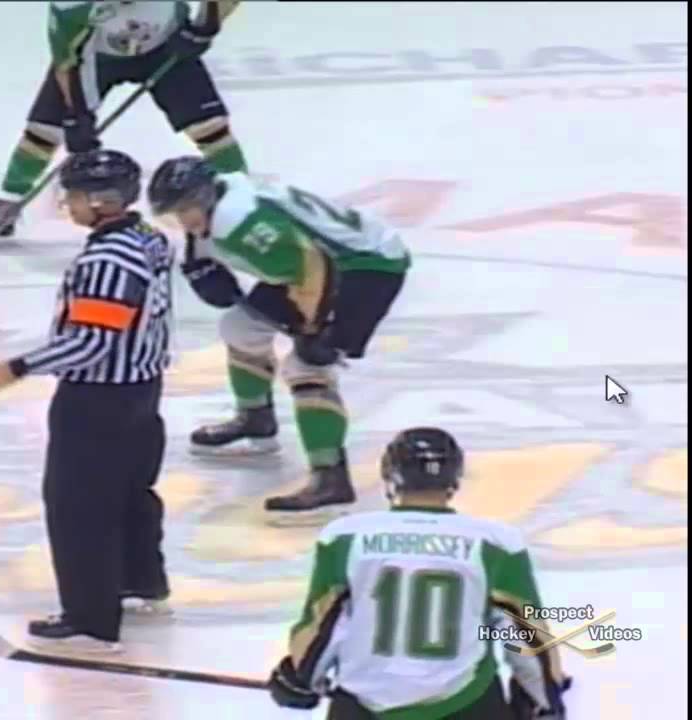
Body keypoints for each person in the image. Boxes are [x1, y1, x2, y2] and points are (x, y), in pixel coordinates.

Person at [0, 148, 174, 652]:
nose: (68, 203)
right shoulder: (149, 238)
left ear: (101, 202)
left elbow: (93, 340)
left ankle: (91, 619)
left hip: (97, 400)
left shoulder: (107, 257)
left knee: (79, 506)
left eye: (76, 195)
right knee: (130, 494)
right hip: (142, 391)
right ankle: (139, 579)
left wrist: (14, 369)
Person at [146, 157, 409, 515]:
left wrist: (314, 329)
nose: (184, 220)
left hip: (366, 266)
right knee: (241, 328)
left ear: (206, 197)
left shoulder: (238, 220)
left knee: (308, 365)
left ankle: (330, 475)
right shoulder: (226, 196)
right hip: (326, 261)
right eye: (175, 213)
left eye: (186, 209)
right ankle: (256, 417)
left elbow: (314, 265)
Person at [266, 427, 572, 719]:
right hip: (467, 704)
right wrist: (544, 701)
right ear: (455, 479)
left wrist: (301, 676)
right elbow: (524, 633)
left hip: (364, 707)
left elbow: (325, 623)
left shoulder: (346, 537)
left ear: (390, 475)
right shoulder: (495, 542)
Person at [0, 0, 247, 239]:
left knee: (210, 128)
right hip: (96, 57)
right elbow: (68, 60)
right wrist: (77, 113)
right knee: (45, 131)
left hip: (167, 45)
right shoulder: (71, 5)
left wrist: (205, 26)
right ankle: (9, 198)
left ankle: (244, 201)